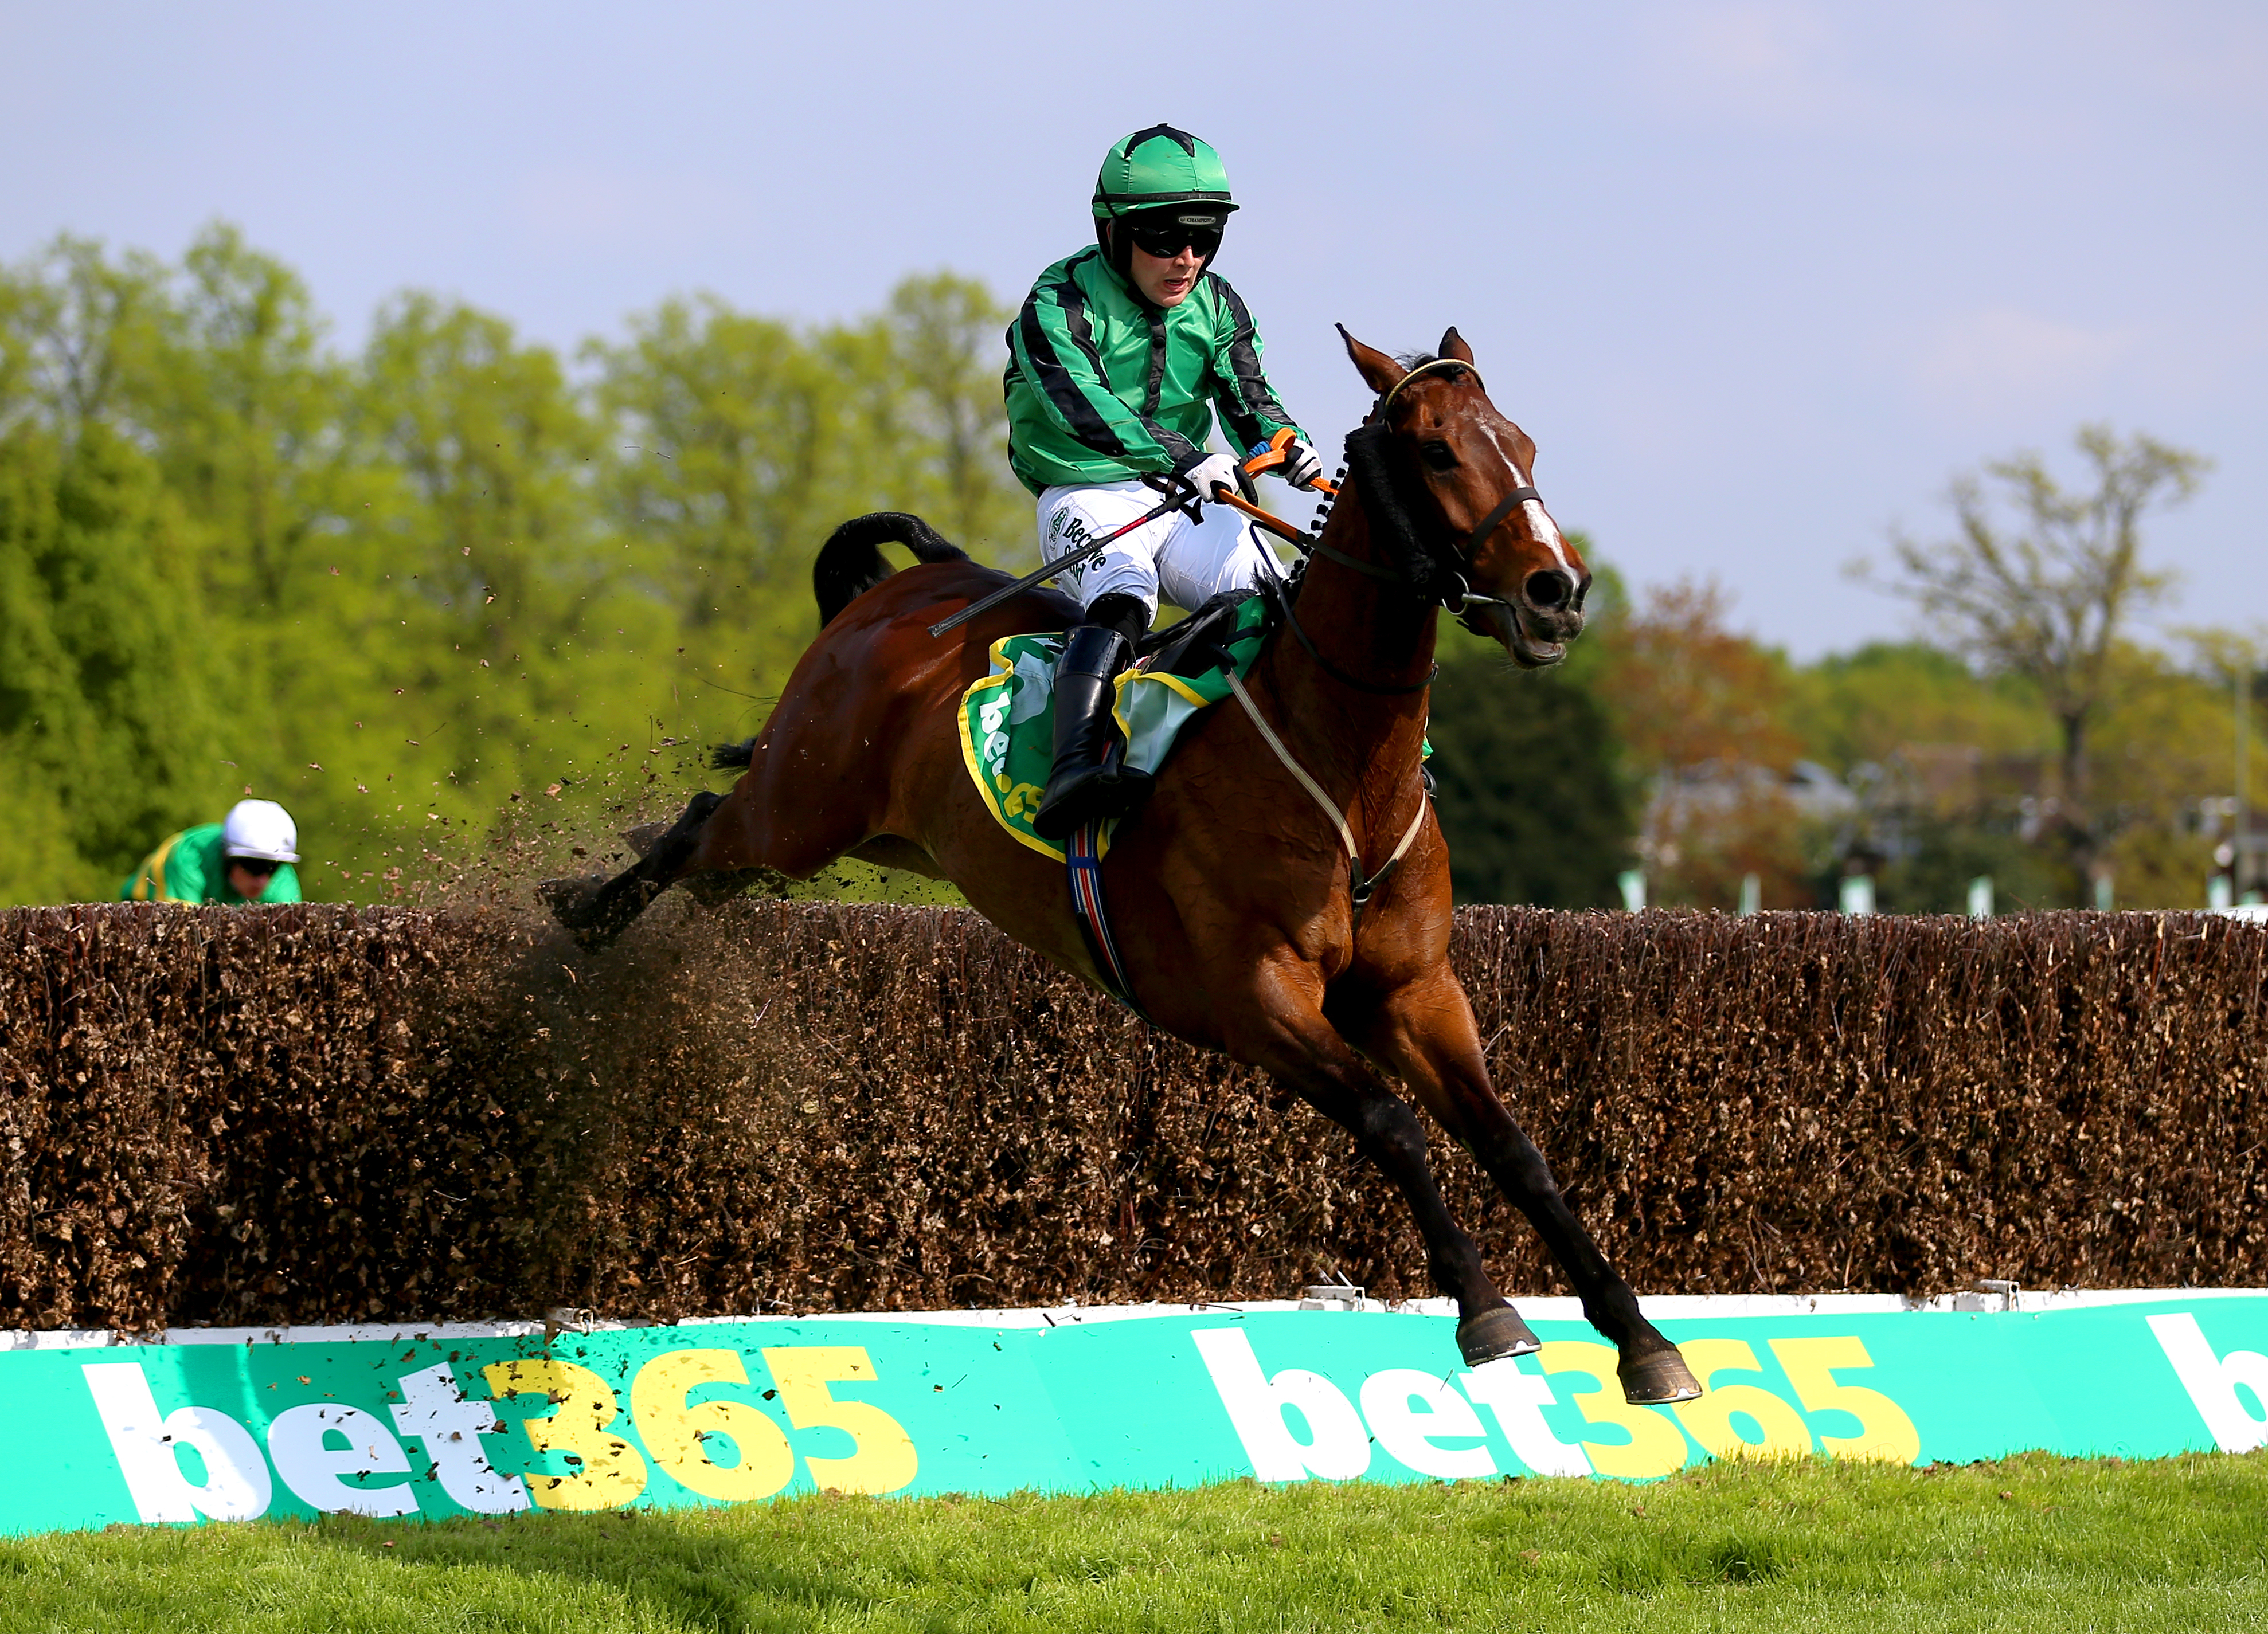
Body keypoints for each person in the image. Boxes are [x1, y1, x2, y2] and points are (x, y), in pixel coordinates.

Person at [1005, 123, 1323, 841]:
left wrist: (1286, 444)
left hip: (1181, 497)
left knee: (1277, 606)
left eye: (1204, 239)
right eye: (1163, 239)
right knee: (1124, 600)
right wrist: (1182, 454)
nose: (1185, 259)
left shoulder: (1219, 304)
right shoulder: (1057, 301)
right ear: (1113, 233)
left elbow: (1249, 396)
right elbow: (1082, 406)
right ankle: (1073, 768)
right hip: (1083, 491)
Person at [119, 798, 304, 905]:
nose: (263, 879)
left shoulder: (282, 878)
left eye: (274, 867)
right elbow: (182, 936)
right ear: (228, 856)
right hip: (141, 903)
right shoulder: (189, 859)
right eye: (254, 866)